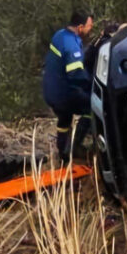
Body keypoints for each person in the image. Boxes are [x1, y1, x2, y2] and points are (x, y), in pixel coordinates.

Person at [42, 9, 94, 158]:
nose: (90, 29)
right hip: (61, 94)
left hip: (50, 90)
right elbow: (76, 75)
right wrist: (92, 85)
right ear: (79, 27)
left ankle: (63, 153)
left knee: (64, 118)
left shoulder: (60, 35)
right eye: (89, 26)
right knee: (91, 108)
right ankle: (75, 148)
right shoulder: (71, 46)